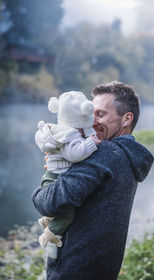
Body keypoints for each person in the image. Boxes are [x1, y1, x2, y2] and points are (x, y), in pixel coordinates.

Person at [32, 81, 154, 280]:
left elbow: (51, 203)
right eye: (91, 113)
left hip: (73, 272)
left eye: (101, 114)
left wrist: (46, 184)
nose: (92, 121)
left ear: (126, 119)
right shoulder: (128, 156)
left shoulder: (105, 153)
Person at [34, 91, 100, 259]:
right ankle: (49, 238)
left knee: (61, 208)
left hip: (49, 176)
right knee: (67, 214)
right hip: (55, 178)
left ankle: (48, 219)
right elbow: (74, 155)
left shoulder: (59, 131)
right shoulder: (70, 135)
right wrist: (91, 143)